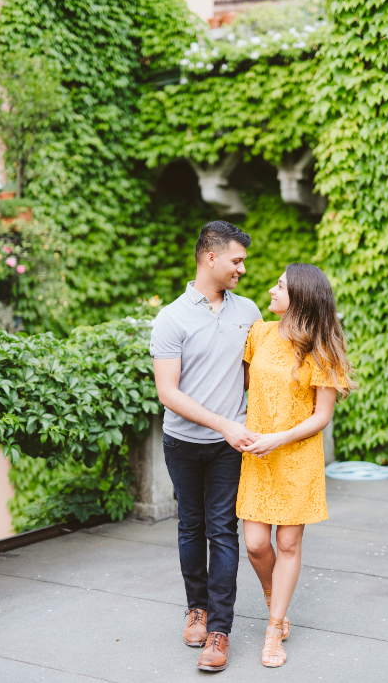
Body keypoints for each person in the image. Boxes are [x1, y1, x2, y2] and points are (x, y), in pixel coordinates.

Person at [151, 220, 262, 672]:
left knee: (222, 530)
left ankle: (219, 628)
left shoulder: (250, 311)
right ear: (210, 257)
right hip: (182, 442)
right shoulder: (172, 317)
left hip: (227, 448)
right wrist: (224, 424)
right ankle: (194, 607)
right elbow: (168, 393)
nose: (242, 268)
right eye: (237, 260)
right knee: (190, 527)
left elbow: (259, 378)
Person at [237, 263, 356, 668]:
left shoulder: (321, 351)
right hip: (257, 454)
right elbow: (243, 386)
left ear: (300, 298)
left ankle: (273, 631)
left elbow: (321, 416)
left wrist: (279, 438)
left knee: (287, 544)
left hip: (296, 455)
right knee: (255, 545)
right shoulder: (259, 334)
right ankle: (276, 599)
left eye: (280, 286)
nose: (271, 290)